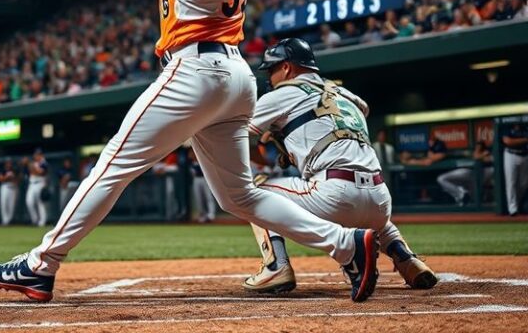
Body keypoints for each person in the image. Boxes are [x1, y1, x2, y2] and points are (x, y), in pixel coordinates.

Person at [0, 0, 379, 304]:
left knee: (113, 165)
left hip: (195, 72)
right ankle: (347, 246)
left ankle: (40, 266)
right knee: (239, 196)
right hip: (237, 77)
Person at [242, 39, 436, 294]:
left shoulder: (282, 94)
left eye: (272, 69)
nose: (270, 76)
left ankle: (276, 266)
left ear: (287, 68)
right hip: (380, 199)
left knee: (253, 194)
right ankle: (408, 260)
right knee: (374, 218)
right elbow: (362, 109)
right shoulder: (344, 94)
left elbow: (238, 138)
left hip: (334, 194)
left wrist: (273, 146)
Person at [436, 134, 493, 207]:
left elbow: (487, 158)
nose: (478, 146)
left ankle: (461, 195)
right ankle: (461, 194)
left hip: (478, 176)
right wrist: (482, 156)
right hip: (465, 172)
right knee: (441, 179)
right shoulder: (471, 151)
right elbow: (475, 156)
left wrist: (483, 156)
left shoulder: (487, 152)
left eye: (480, 144)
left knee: (474, 200)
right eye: (477, 144)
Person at [502, 122, 528, 216]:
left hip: (524, 155)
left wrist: (517, 141)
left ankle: (516, 203)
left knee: (524, 183)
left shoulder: (525, 126)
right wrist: (525, 140)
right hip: (510, 154)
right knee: (510, 182)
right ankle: (512, 209)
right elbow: (508, 141)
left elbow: (512, 141)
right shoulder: (507, 126)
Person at [188, 147, 216, 223]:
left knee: (208, 197)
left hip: (205, 179)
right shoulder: (191, 163)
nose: (191, 154)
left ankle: (211, 214)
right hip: (196, 180)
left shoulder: (202, 159)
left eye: (192, 153)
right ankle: (202, 215)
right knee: (199, 198)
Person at [25, 148, 49, 227]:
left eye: (37, 154)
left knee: (40, 203)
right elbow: (31, 171)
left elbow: (40, 172)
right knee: (29, 201)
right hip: (32, 184)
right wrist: (31, 166)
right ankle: (34, 219)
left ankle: (42, 221)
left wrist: (32, 166)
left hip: (40, 184)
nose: (35, 156)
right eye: (35, 154)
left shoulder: (44, 163)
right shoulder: (34, 163)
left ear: (41, 155)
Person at [0, 158, 20, 226]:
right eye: (7, 162)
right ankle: (4, 221)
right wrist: (6, 177)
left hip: (13, 187)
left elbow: (18, 180)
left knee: (11, 206)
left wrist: (13, 177)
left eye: (10, 162)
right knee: (3, 204)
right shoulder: (2, 169)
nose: (9, 164)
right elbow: (0, 179)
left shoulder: (15, 170)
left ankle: (8, 220)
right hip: (5, 187)